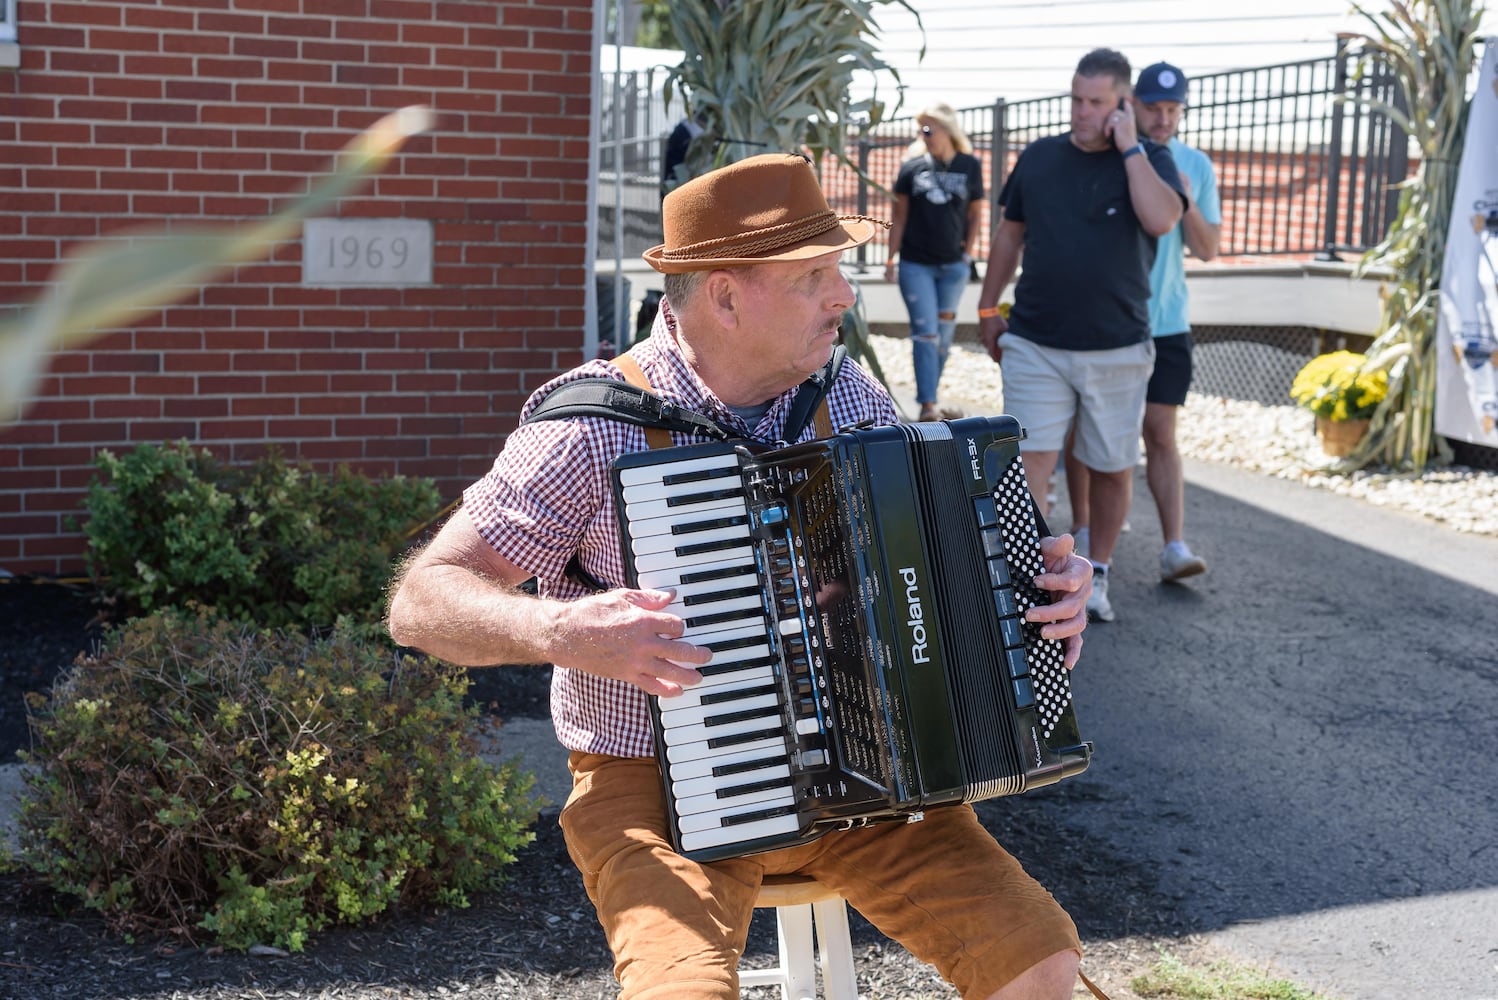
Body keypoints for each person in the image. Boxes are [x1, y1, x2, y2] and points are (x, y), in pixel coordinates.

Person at [387, 153, 1096, 1000]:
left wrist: (1033, 603)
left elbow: (931, 583)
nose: (843, 296)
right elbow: (420, 602)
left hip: (872, 785)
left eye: (838, 272)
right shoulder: (590, 428)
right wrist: (560, 632)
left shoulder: (852, 401)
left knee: (1043, 965)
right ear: (724, 295)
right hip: (655, 788)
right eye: (813, 277)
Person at [976, 48, 1186, 624]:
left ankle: (1099, 572)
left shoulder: (1152, 160)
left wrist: (1130, 146)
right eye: (1076, 99)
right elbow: (1008, 234)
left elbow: (1161, 220)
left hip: (1118, 348)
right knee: (1026, 461)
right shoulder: (1041, 158)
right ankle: (1029, 580)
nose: (1081, 111)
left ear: (1122, 104)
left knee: (1112, 465)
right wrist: (989, 304)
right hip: (1037, 341)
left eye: (1096, 102)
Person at [1063, 62, 1222, 583]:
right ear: (1132, 105)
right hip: (1107, 324)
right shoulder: (1108, 157)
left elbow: (1207, 249)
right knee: (1088, 434)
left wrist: (1183, 195)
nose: (1164, 119)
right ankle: (1086, 532)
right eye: (1154, 107)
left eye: (1173, 110)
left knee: (1160, 432)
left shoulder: (1195, 164)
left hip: (1166, 323)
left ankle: (1174, 545)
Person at [883, 103, 985, 421]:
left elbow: (976, 214)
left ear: (947, 130)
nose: (923, 136)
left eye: (928, 129)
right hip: (916, 265)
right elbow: (898, 217)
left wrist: (968, 253)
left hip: (953, 267)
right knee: (926, 333)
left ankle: (932, 395)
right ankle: (927, 405)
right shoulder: (911, 167)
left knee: (943, 336)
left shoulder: (970, 165)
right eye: (920, 130)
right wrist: (890, 259)